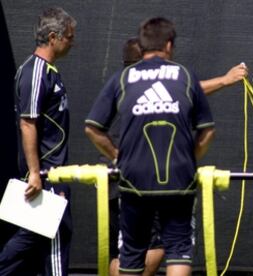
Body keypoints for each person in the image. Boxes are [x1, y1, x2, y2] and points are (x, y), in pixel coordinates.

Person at [105, 37, 247, 276]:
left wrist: (116, 156)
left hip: (118, 176)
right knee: (156, 247)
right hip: (140, 179)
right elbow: (189, 91)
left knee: (123, 251)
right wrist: (224, 80)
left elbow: (93, 127)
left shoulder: (122, 86)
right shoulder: (147, 85)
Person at [85, 17, 215, 276]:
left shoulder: (123, 78)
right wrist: (189, 158)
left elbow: (92, 127)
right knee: (178, 249)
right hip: (179, 177)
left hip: (133, 178)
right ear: (168, 45)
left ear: (142, 45)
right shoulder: (184, 76)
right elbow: (207, 130)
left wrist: (116, 155)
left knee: (131, 253)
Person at [0, 7, 76, 276]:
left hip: (50, 173)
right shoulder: (35, 71)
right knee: (56, 237)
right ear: (53, 37)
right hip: (45, 175)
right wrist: (35, 173)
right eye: (69, 37)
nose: (72, 42)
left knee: (30, 240)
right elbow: (27, 122)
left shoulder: (49, 71)